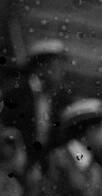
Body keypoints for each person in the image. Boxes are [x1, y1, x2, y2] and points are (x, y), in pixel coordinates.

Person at [4, 39, 70, 167]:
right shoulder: (16, 92)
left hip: (37, 166)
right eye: (57, 65)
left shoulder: (57, 100)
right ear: (42, 66)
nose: (62, 72)